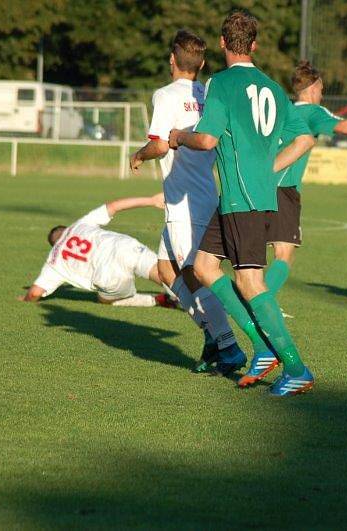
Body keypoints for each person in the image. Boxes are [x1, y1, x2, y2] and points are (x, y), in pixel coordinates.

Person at [169, 9, 316, 396]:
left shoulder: (220, 83)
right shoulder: (271, 86)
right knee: (202, 266)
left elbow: (207, 139)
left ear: (221, 44)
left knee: (249, 281)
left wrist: (179, 136)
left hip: (243, 198)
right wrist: (268, 170)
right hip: (246, 195)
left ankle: (297, 367)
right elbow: (304, 140)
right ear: (254, 45)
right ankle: (264, 348)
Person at [130, 29, 245, 375]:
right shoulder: (209, 92)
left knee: (197, 275)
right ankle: (213, 337)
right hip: (199, 196)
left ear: (171, 60)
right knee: (166, 271)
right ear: (202, 63)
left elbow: (162, 145)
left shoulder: (165, 95)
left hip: (186, 205)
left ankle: (229, 345)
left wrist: (139, 154)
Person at [263, 60, 347, 298]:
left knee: (252, 257)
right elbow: (346, 127)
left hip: (257, 182)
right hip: (282, 188)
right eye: (321, 88)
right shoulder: (312, 112)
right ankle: (260, 306)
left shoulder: (282, 109)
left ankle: (254, 301)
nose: (322, 94)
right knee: (284, 255)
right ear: (313, 88)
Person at [20, 194, 177, 307]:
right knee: (165, 276)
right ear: (66, 229)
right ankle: (196, 297)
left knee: (104, 300)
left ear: (54, 245)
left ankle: (156, 300)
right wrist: (151, 200)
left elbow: (34, 293)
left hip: (109, 275)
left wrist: (25, 299)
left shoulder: (54, 260)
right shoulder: (79, 225)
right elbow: (115, 206)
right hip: (124, 247)